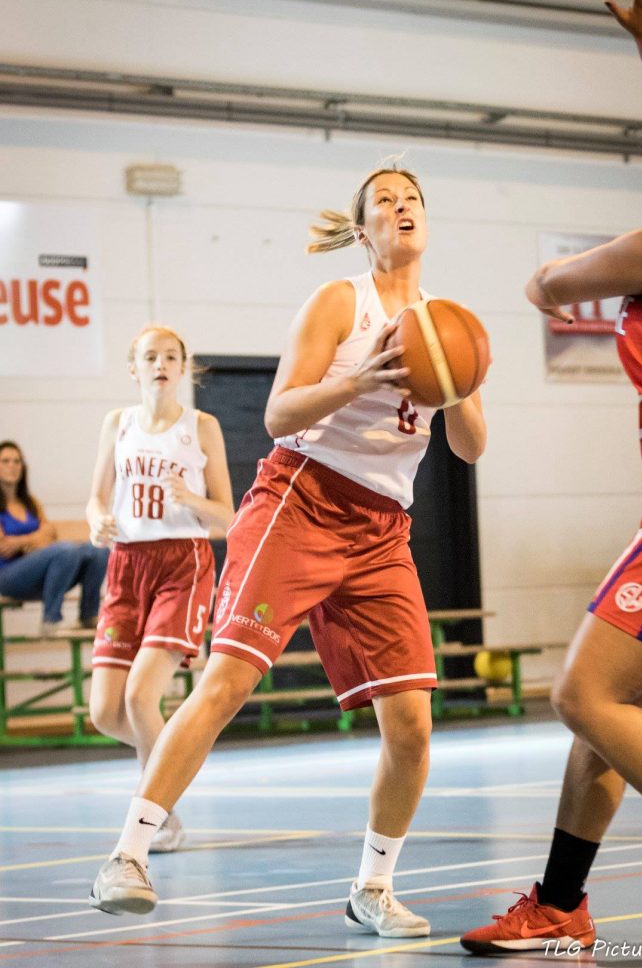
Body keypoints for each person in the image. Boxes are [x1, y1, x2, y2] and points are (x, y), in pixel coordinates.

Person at [88, 165, 487, 933]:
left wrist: (458, 379)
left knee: (411, 723)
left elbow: (469, 448)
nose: (401, 208)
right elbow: (278, 415)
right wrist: (359, 379)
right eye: (384, 201)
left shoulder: (445, 325)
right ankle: (128, 855)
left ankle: (372, 888)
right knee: (227, 681)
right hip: (300, 499)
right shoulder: (341, 301)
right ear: (363, 229)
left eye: (411, 199)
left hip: (381, 529)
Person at [461, 0, 642, 948]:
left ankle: (559, 904)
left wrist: (572, 268)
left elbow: (544, 286)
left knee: (581, 695)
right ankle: (558, 904)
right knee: (612, 708)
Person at [86, 324, 233, 853]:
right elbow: (96, 498)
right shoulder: (117, 423)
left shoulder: (201, 427)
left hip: (181, 564)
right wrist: (97, 520)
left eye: (171, 356)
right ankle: (177, 753)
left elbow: (228, 516)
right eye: (150, 357)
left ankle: (158, 815)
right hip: (126, 566)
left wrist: (191, 499)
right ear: (134, 368)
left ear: (183, 367)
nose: (161, 365)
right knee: (105, 712)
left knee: (139, 695)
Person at [0, 440, 108, 630]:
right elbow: (4, 546)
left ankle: (88, 616)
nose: (12, 466)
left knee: (98, 551)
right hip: (9, 577)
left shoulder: (30, 502)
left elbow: (49, 534)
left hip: (43, 575)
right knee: (66, 550)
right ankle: (51, 620)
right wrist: (36, 541)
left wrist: (20, 542)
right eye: (6, 461)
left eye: (17, 461)